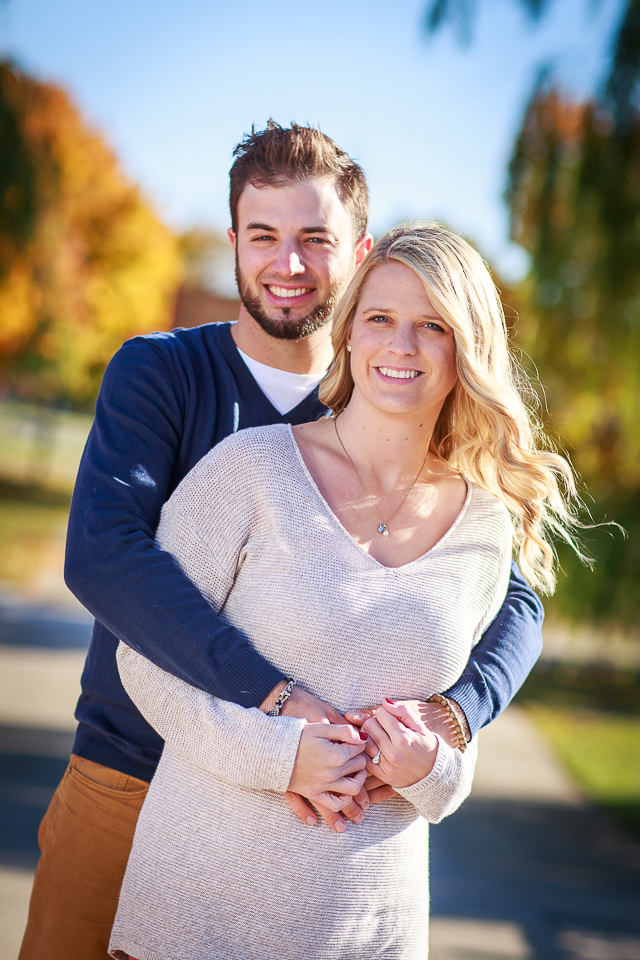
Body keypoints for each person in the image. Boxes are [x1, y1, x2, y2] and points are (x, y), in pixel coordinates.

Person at [18, 124, 543, 960]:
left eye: (314, 240)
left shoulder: (385, 405)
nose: (287, 264)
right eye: (263, 236)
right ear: (233, 242)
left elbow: (513, 597)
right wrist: (274, 699)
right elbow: (105, 554)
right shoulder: (167, 376)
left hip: (332, 832)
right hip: (130, 770)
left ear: (358, 251)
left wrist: (450, 718)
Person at [108, 221, 581, 960]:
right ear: (350, 335)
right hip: (195, 917)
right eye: (381, 319)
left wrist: (428, 768)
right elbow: (144, 660)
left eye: (434, 327)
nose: (402, 346)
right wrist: (280, 756)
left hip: (369, 933)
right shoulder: (249, 471)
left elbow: (453, 757)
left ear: (467, 351)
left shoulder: (487, 527)